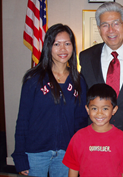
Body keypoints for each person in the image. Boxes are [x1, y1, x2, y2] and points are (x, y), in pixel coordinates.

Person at [11, 24, 88, 177]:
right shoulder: (34, 79)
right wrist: (20, 156)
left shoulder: (78, 80)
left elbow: (81, 121)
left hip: (66, 153)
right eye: (57, 44)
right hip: (35, 154)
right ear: (48, 46)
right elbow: (23, 120)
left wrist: (79, 152)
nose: (63, 49)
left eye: (67, 43)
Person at [79, 2, 123, 140]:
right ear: (99, 28)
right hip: (95, 138)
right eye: (105, 25)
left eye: (116, 23)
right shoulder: (86, 57)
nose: (111, 30)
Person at [63, 83, 123, 177]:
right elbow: (73, 168)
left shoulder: (121, 138)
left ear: (114, 110)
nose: (99, 113)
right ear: (87, 110)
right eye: (94, 108)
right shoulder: (78, 137)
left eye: (105, 108)